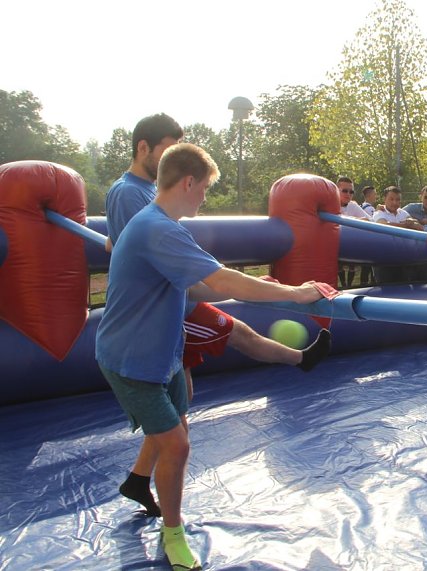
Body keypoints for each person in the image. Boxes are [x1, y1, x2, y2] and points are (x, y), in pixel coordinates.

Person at [96, 143, 331, 570]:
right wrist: (294, 292)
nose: (204, 196)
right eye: (204, 188)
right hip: (132, 361)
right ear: (188, 182)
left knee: (178, 428)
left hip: (162, 352)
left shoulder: (165, 224)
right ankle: (173, 534)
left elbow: (199, 286)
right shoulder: (157, 227)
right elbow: (221, 281)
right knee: (178, 446)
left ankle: (137, 483)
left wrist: (262, 285)